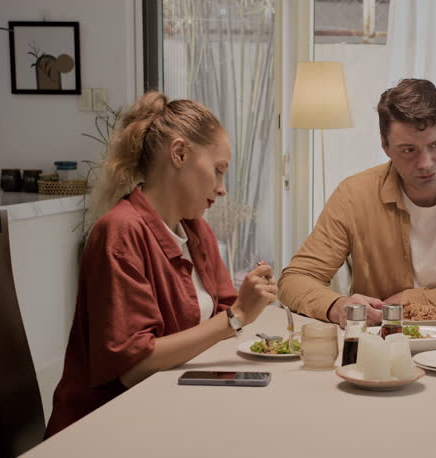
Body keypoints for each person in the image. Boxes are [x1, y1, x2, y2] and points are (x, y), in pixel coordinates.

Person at [45, 92, 277, 437]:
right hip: (105, 431)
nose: (222, 188)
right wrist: (239, 315)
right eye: (218, 171)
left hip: (172, 411)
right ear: (180, 153)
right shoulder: (119, 231)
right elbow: (134, 367)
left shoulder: (196, 229)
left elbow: (225, 313)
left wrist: (243, 308)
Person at [278, 79, 436, 326]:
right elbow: (295, 279)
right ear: (385, 146)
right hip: (384, 342)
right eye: (408, 150)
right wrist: (336, 306)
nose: (426, 163)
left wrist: (411, 299)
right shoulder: (354, 195)